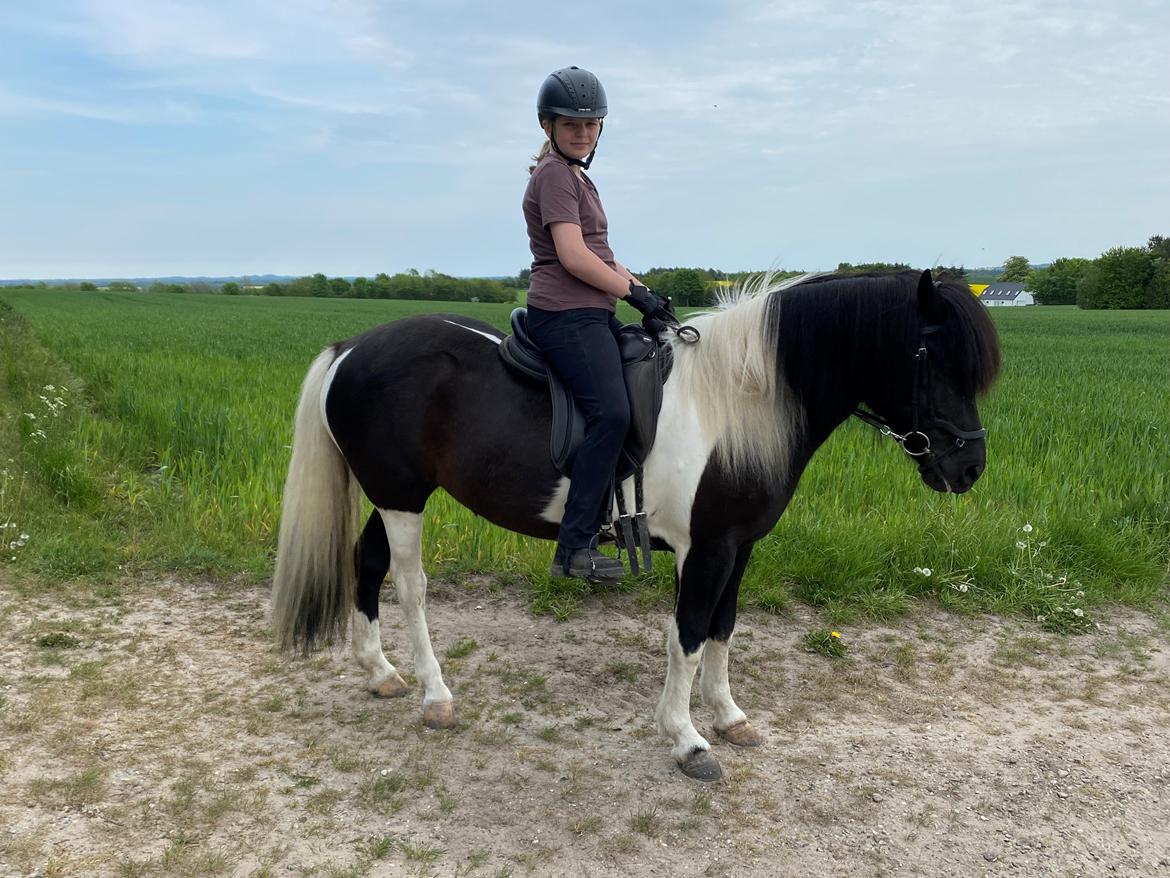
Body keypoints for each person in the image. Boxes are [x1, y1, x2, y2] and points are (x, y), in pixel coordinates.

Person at [522, 65, 672, 582]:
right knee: (610, 413)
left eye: (591, 124)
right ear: (548, 126)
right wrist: (631, 294)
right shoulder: (554, 177)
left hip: (592, 309)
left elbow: (602, 254)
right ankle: (574, 547)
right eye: (571, 125)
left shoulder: (578, 176)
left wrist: (644, 290)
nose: (582, 133)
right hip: (565, 313)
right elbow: (572, 257)